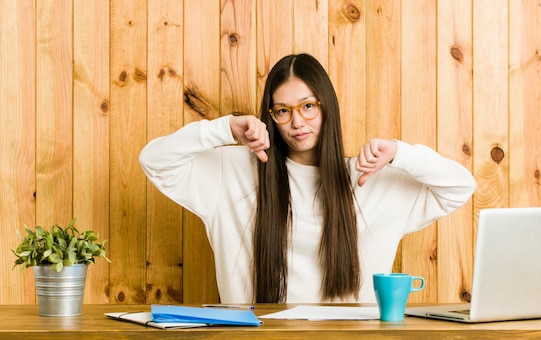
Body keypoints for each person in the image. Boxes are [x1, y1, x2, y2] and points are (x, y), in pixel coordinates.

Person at [139, 53, 476, 304]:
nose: (297, 122)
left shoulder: (372, 179)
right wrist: (224, 128)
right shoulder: (233, 172)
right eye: (283, 111)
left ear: (326, 106)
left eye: (308, 107)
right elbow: (154, 161)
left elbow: (460, 186)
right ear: (271, 117)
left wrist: (400, 153)